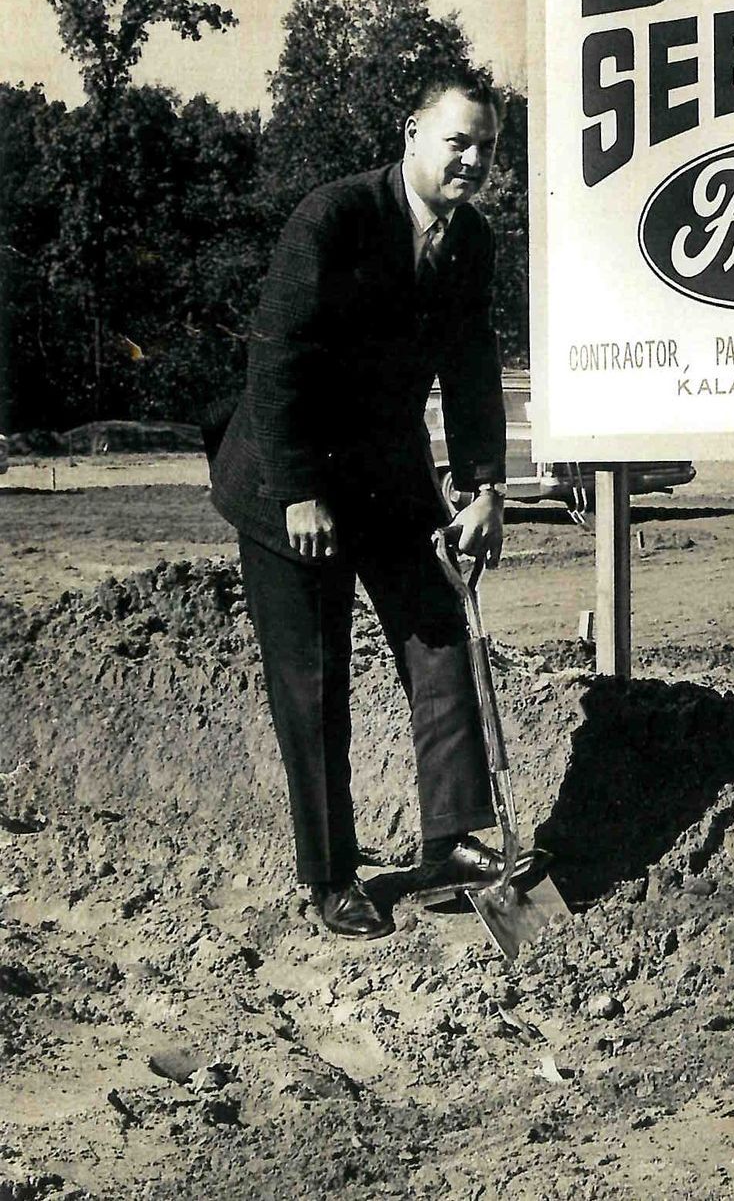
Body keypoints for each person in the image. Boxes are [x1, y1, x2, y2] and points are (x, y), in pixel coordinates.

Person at [210, 69, 512, 941]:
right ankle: (331, 874)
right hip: (287, 478)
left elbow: (469, 367)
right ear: (410, 133)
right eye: (458, 141)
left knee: (439, 631)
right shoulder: (333, 217)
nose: (473, 160)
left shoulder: (472, 241)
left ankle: (449, 840)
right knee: (312, 684)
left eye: (487, 146)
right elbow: (278, 360)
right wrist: (299, 491)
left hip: (385, 476)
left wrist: (485, 485)